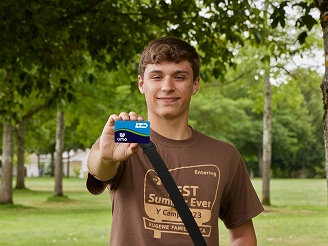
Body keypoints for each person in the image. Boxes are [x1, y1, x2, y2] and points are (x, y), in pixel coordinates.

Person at [86, 36, 264, 246]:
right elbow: (100, 168)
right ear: (141, 84)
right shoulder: (125, 138)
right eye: (157, 77)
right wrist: (106, 157)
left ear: (195, 85)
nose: (167, 86)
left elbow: (243, 235)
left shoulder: (225, 155)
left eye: (179, 77)